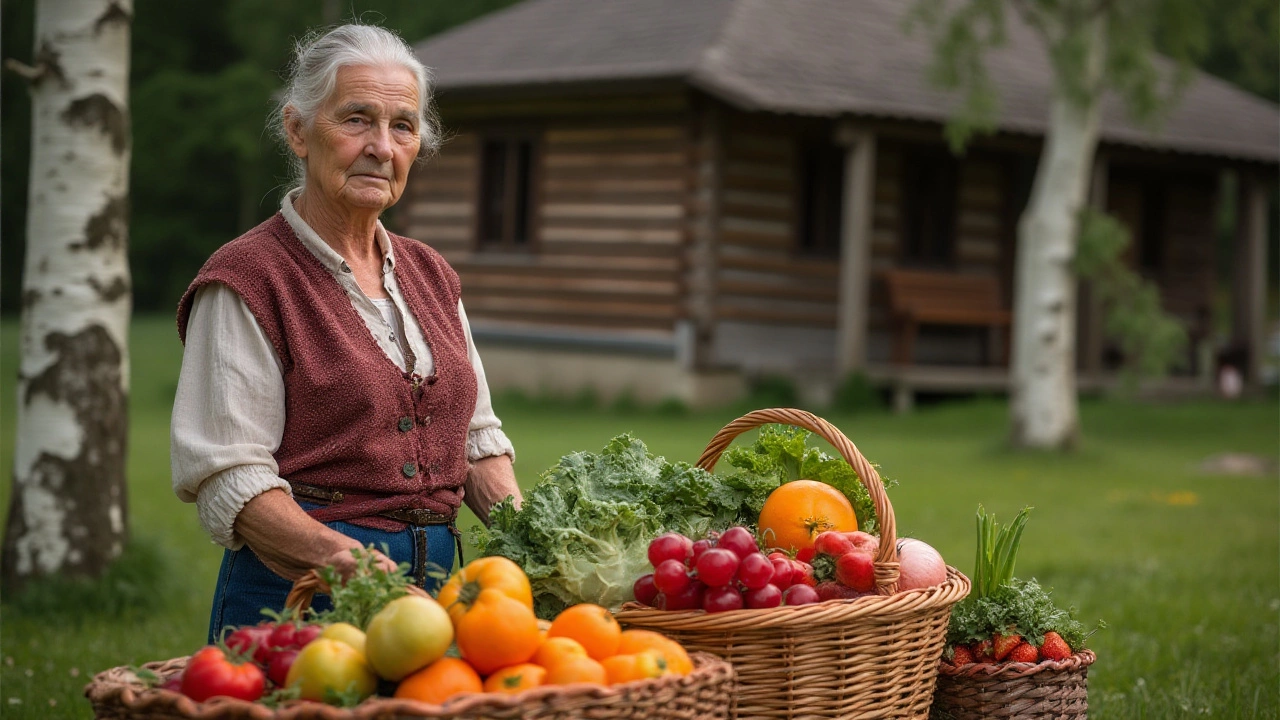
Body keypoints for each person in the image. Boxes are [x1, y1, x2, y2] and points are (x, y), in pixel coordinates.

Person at [170, 23, 522, 642]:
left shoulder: (432, 273)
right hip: (300, 599)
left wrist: (540, 542)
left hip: (446, 590)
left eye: (402, 126)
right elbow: (231, 478)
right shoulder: (248, 278)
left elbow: (476, 440)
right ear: (298, 130)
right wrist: (354, 568)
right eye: (356, 119)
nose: (381, 146)